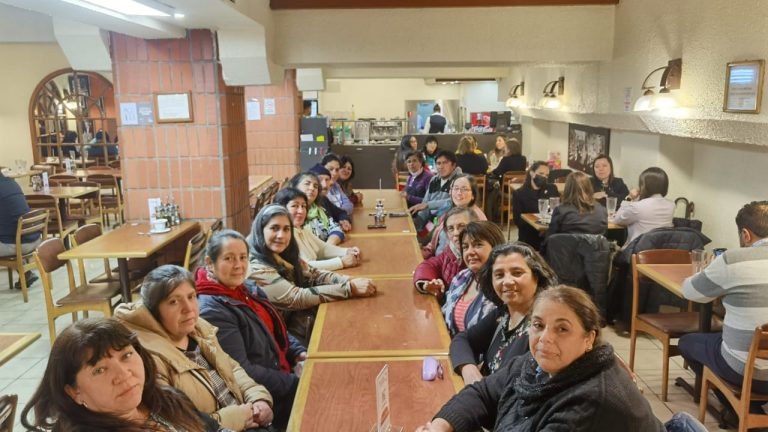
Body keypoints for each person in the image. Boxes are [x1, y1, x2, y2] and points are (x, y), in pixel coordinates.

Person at [417, 286, 665, 432]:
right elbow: (482, 393)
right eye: (538, 325)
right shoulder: (536, 363)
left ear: (589, 338)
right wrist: (441, 426)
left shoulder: (592, 402)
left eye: (562, 329)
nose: (545, 338)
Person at [114, 265, 275, 431]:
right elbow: (177, 424)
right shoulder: (150, 359)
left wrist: (257, 397)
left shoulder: (198, 327)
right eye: (174, 302)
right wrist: (237, 417)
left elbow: (231, 367)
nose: (188, 308)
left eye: (191, 297)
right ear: (153, 312)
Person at [20, 318, 222, 432]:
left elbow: (214, 429)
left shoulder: (163, 397)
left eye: (126, 355)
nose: (123, 374)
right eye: (99, 369)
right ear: (74, 392)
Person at [193, 231, 307, 428]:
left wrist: (299, 352)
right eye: (228, 258)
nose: (238, 265)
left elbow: (275, 329)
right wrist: (294, 382)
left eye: (243, 257)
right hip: (268, 396)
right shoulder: (211, 310)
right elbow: (242, 368)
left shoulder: (246, 288)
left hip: (283, 372)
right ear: (210, 263)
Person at [679, 201, 768, 417]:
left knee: (688, 342)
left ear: (746, 235)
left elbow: (690, 292)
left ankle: (740, 410)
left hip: (747, 371)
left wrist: (712, 271)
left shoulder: (733, 260)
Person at [247, 205, 376, 344]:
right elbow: (296, 297)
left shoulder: (284, 254)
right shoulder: (255, 265)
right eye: (274, 228)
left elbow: (314, 273)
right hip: (278, 343)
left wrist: (349, 280)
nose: (281, 235)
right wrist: (350, 288)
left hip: (295, 327)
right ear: (260, 231)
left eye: (286, 229)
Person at [450, 242, 558, 386]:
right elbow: (462, 339)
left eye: (517, 273)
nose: (507, 282)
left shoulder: (542, 329)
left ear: (536, 277)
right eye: (499, 275)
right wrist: (469, 369)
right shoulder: (503, 313)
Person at [274, 187, 360, 271]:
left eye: (303, 206)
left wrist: (346, 251)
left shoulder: (301, 230)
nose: (301, 211)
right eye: (294, 206)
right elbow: (305, 267)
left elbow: (323, 249)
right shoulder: (284, 236)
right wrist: (341, 262)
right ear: (281, 208)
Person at [442, 221, 505, 336]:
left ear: (496, 247)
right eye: (465, 247)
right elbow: (445, 312)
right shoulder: (462, 277)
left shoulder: (502, 286)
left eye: (477, 245)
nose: (470, 252)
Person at [414, 207, 476, 298]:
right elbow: (430, 264)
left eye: (462, 226)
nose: (456, 233)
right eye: (451, 228)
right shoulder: (451, 251)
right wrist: (427, 282)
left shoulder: (479, 258)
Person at [422, 174, 487, 259]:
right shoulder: (451, 210)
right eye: (456, 188)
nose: (459, 193)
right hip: (436, 259)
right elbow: (435, 240)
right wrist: (424, 252)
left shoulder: (477, 219)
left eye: (464, 189)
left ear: (473, 195)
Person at [611, 166, 675, 245]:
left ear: (644, 186)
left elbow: (617, 219)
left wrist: (629, 198)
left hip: (636, 252)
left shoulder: (637, 207)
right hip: (660, 252)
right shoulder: (671, 205)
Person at [0, 170, 41, 289]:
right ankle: (26, 273)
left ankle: (25, 273)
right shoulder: (12, 183)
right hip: (34, 238)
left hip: (18, 244)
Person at [409, 150, 463, 231]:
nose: (441, 166)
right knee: (413, 221)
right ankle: (415, 231)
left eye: (445, 163)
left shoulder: (460, 180)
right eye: (438, 163)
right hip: (432, 218)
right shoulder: (434, 179)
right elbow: (425, 202)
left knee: (443, 212)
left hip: (448, 219)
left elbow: (453, 202)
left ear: (453, 165)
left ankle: (430, 237)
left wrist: (428, 205)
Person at [511, 161, 560, 250]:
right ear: (532, 173)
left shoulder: (552, 189)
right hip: (529, 235)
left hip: (550, 233)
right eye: (541, 173)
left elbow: (558, 211)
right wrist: (538, 227)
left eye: (546, 175)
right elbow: (518, 220)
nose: (544, 177)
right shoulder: (519, 193)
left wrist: (547, 229)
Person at [290, 171, 345, 245]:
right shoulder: (289, 213)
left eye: (315, 186)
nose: (312, 188)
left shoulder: (318, 209)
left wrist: (328, 246)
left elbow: (336, 229)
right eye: (307, 184)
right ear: (295, 187)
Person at [546, 171, 607, 237]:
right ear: (589, 187)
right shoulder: (602, 210)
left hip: (566, 246)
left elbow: (550, 238)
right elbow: (604, 237)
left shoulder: (560, 210)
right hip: (594, 247)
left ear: (567, 188)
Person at [308, 163, 353, 232]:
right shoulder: (305, 204)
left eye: (327, 180)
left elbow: (340, 213)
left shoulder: (323, 200)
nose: (324, 185)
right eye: (320, 180)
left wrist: (344, 220)